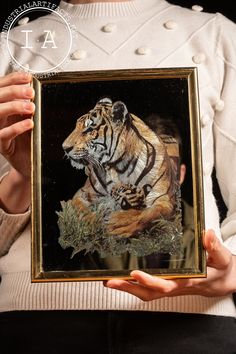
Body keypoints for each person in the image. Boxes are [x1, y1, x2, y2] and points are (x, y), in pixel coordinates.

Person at [0, 1, 236, 353]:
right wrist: (24, 175)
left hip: (192, 321)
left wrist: (231, 266)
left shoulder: (216, 36)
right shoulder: (12, 44)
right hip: (36, 319)